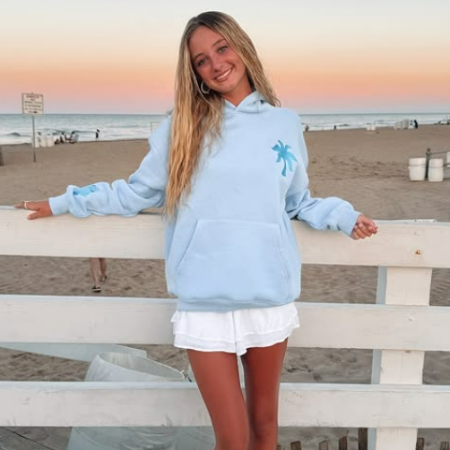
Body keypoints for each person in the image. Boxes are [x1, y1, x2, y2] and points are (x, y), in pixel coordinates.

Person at [15, 12, 378, 450]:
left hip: (268, 294)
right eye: (201, 60)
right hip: (205, 302)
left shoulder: (284, 123)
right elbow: (135, 192)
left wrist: (344, 215)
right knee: (232, 439)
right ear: (194, 72)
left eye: (222, 49)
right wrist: (62, 202)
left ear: (242, 47)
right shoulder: (183, 126)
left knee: (264, 428)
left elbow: (298, 201)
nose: (216, 64)